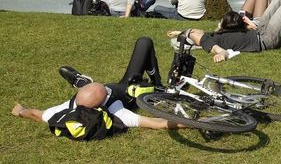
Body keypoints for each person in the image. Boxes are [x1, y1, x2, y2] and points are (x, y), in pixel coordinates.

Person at [11, 37, 186, 131]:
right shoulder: (118, 112)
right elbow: (159, 123)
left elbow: (37, 114)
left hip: (96, 94)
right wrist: (202, 122)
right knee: (144, 42)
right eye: (105, 90)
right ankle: (157, 84)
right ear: (102, 103)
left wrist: (20, 111)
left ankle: (82, 82)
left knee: (144, 43)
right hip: (129, 88)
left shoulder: (66, 108)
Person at [169, 0, 281, 55]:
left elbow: (197, 31)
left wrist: (181, 32)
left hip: (257, 30)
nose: (194, 32)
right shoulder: (208, 42)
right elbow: (217, 50)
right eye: (191, 34)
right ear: (194, 39)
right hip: (265, 39)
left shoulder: (210, 36)